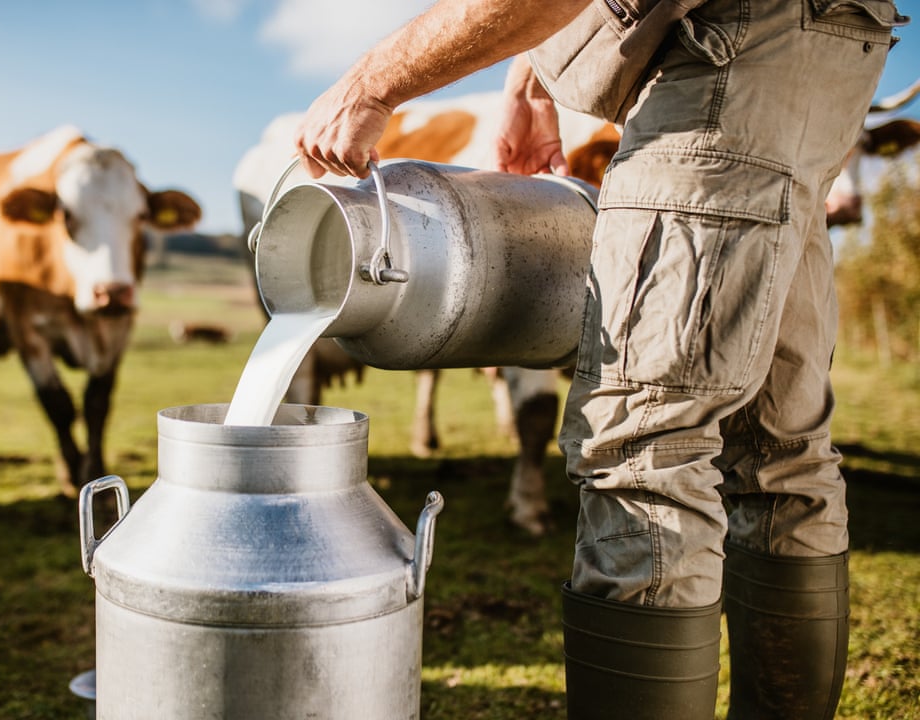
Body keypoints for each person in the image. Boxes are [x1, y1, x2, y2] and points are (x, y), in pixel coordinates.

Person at [293, 0, 903, 717]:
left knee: (645, 447)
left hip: (722, 57)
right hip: (815, 46)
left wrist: (370, 83)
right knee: (777, 449)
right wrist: (529, 83)